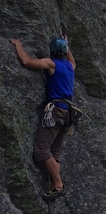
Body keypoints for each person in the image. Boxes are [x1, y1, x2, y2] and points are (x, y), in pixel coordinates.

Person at [11, 36, 76, 201]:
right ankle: (54, 186)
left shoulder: (51, 64)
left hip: (56, 112)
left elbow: (26, 61)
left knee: (41, 150)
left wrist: (18, 45)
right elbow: (72, 60)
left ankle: (59, 185)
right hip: (68, 114)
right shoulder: (70, 66)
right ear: (65, 52)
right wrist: (67, 46)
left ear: (52, 51)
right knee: (55, 152)